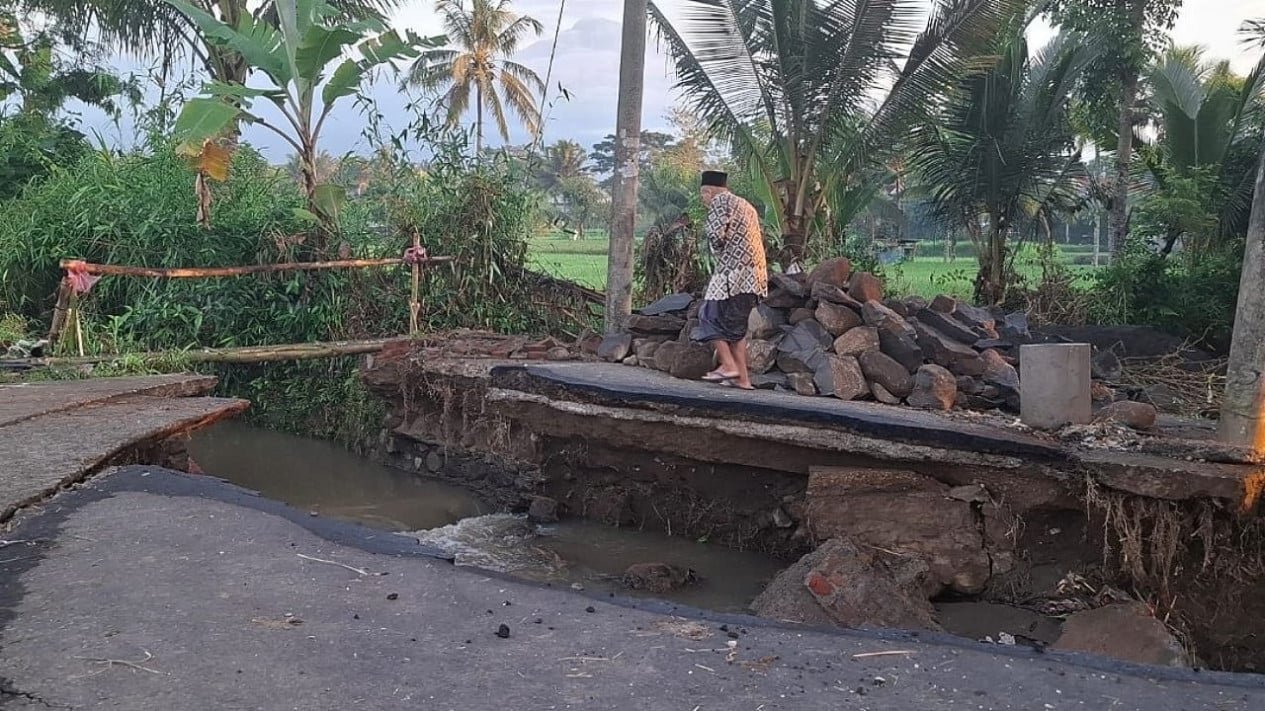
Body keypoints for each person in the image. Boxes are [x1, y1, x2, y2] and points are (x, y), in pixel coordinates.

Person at [692, 170, 768, 390]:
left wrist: (717, 248)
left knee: (708, 315)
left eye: (703, 195)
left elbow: (716, 236)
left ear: (708, 191)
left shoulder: (720, 202)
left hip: (732, 273)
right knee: (736, 328)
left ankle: (727, 365)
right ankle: (743, 379)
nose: (704, 200)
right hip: (755, 275)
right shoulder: (746, 205)